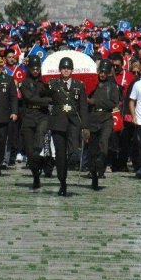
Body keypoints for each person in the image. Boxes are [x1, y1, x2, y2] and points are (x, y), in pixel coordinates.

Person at [48, 56, 89, 196]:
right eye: (63, 68)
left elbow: (83, 106)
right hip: (58, 122)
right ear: (60, 69)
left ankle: (72, 162)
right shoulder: (53, 84)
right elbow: (45, 99)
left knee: (73, 153)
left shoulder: (79, 85)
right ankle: (62, 182)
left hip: (73, 123)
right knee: (60, 155)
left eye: (68, 68)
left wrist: (85, 125)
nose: (66, 70)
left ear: (72, 70)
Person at [87, 59, 120, 190]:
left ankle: (101, 163)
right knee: (92, 148)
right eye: (101, 71)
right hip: (92, 117)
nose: (102, 74)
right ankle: (93, 173)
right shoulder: (92, 84)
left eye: (105, 72)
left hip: (106, 117)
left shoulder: (112, 86)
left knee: (104, 141)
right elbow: (85, 99)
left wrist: (95, 101)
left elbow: (113, 103)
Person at [20, 55, 51, 190]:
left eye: (37, 68)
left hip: (42, 115)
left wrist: (48, 92)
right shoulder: (25, 83)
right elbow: (30, 98)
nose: (35, 71)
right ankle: (36, 175)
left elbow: (51, 95)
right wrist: (46, 100)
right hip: (29, 115)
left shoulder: (45, 82)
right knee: (30, 152)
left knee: (39, 137)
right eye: (33, 68)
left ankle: (40, 156)